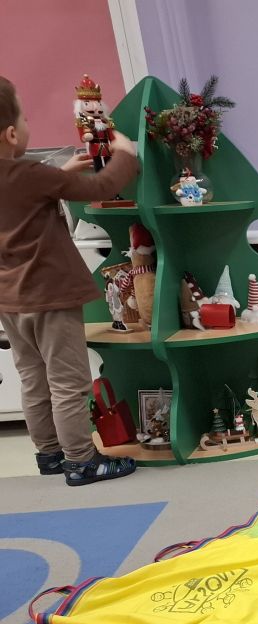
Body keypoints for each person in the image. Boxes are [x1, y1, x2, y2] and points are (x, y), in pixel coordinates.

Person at [0, 76, 138, 485]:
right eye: (25, 119)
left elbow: (19, 203)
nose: (27, 125)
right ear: (11, 134)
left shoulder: (32, 177)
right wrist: (125, 154)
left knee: (33, 378)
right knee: (68, 382)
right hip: (51, 294)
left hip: (11, 299)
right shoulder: (31, 175)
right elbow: (102, 185)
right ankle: (81, 460)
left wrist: (58, 175)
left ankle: (49, 454)